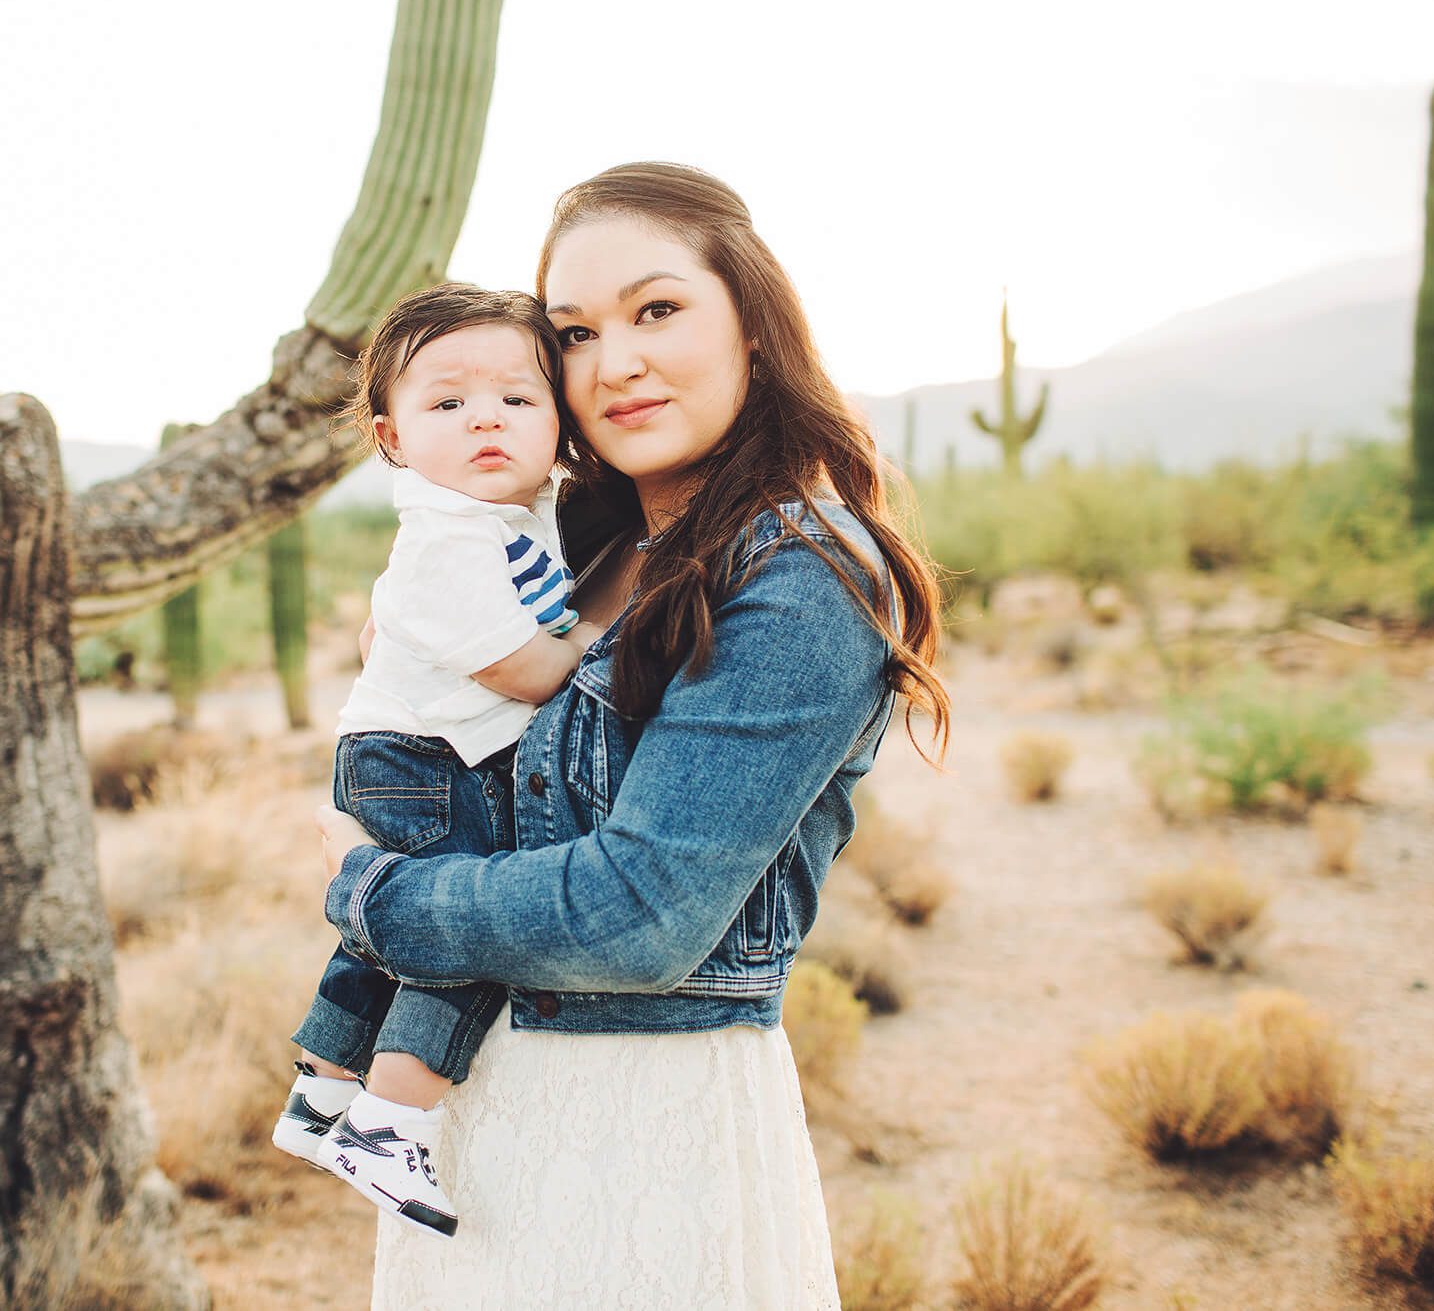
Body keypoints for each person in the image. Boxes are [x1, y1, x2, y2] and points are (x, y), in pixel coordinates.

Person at [314, 162, 952, 1308]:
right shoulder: (577, 544)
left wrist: (374, 897)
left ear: (752, 325)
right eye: (571, 332)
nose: (614, 364)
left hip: (643, 1129)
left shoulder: (800, 571)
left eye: (656, 310)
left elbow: (643, 914)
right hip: (467, 1116)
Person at [276, 283, 604, 1237]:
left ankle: (323, 1093)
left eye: (517, 397)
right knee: (462, 931)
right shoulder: (448, 542)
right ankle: (391, 1122)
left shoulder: (508, 514)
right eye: (447, 403)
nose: (485, 420)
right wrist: (609, 635)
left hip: (409, 750)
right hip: (424, 757)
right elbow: (535, 673)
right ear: (392, 437)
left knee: (386, 928)